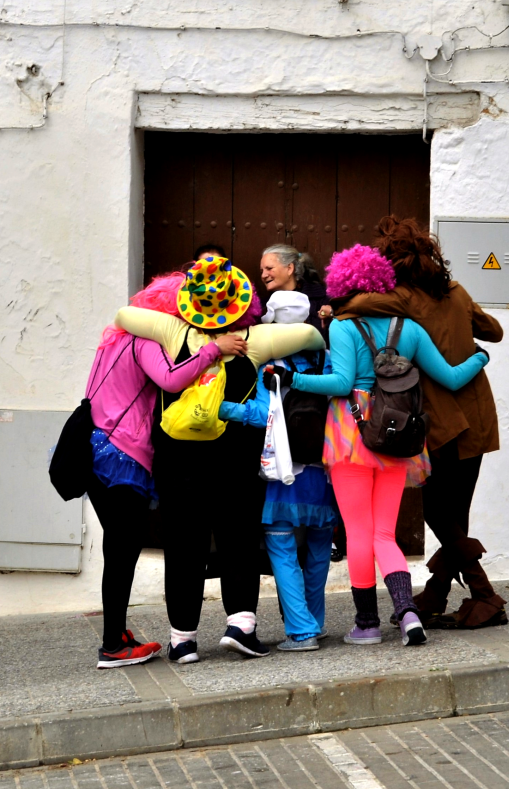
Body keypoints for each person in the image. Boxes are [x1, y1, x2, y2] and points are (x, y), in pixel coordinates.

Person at [269, 244, 490, 648]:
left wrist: (291, 381)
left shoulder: (343, 326)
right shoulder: (410, 329)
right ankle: (408, 615)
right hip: (399, 435)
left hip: (351, 435)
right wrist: (479, 359)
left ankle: (368, 624)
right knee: (385, 533)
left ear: (344, 282)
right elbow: (453, 378)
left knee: (358, 532)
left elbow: (340, 383)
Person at [113, 256, 325, 664]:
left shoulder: (174, 331)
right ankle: (241, 626)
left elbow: (124, 316)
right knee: (239, 540)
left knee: (183, 546)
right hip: (235, 461)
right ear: (238, 299)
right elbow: (312, 337)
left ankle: (183, 640)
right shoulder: (255, 339)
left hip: (179, 462)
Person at [331, 216, 506, 629]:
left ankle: (484, 596)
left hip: (441, 420)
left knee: (437, 514)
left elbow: (353, 308)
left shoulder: (400, 298)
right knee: (455, 514)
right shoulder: (456, 291)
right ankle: (436, 594)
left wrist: (339, 304)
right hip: (479, 413)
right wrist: (474, 343)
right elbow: (493, 332)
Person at [85, 273, 246, 669]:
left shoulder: (112, 341)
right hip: (122, 453)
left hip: (94, 446)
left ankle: (118, 633)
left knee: (118, 545)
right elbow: (171, 378)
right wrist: (213, 350)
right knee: (124, 547)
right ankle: (112, 645)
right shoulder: (145, 343)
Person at [219, 291, 336, 652]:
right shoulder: (326, 358)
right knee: (318, 548)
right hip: (323, 466)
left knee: (282, 548)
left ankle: (301, 632)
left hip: (284, 469)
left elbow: (261, 415)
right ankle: (314, 622)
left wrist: (221, 408)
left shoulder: (268, 363)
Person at [260, 245, 332, 339]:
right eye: (262, 271)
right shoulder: (263, 307)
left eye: (269, 268)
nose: (263, 275)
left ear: (289, 268)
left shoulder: (323, 300)